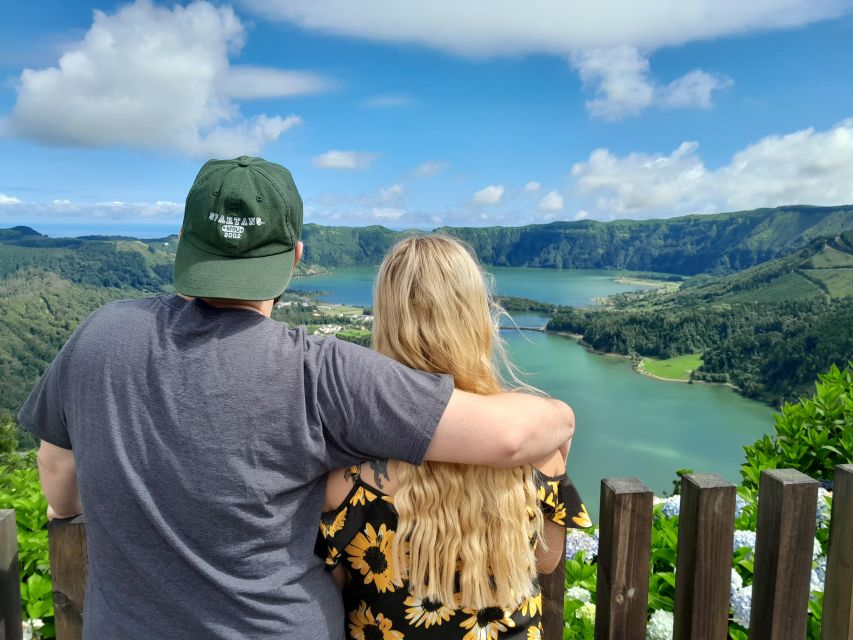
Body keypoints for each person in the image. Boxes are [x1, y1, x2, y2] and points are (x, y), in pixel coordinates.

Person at [17, 156, 575, 640]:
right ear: (295, 257)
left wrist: (66, 511)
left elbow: (56, 467)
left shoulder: (101, 334)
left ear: (184, 244)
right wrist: (562, 417)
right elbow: (508, 438)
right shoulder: (321, 371)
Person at [317, 235, 591, 640]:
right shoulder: (535, 448)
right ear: (477, 317)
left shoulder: (346, 479)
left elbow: (333, 593)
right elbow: (547, 561)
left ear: (387, 323)